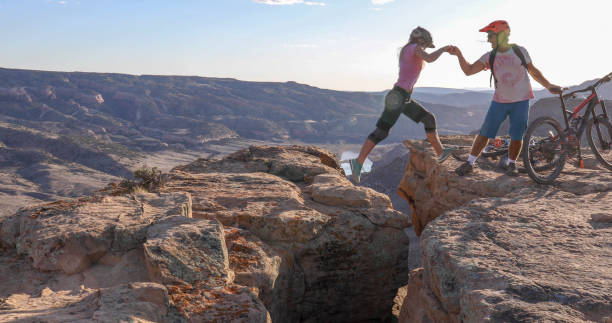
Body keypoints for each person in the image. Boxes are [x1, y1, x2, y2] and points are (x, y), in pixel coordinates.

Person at [448, 20, 562, 177]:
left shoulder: (520, 51)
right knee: (484, 133)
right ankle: (470, 163)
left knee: (517, 135)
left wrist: (549, 86)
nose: (488, 39)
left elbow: (533, 71)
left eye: (490, 35)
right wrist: (459, 54)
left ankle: (511, 163)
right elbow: (468, 70)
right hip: (500, 101)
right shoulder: (490, 56)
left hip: (521, 101)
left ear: (502, 35)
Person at [348, 27, 457, 184]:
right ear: (420, 41)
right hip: (397, 97)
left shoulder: (409, 48)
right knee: (381, 132)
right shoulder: (414, 48)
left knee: (428, 119)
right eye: (426, 44)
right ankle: (358, 163)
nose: (425, 47)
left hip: (402, 98)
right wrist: (444, 49)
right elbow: (430, 58)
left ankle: (441, 153)